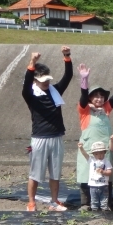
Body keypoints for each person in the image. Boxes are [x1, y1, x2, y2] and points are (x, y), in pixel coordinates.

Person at [22, 46, 73, 212]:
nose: (47, 82)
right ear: (36, 80)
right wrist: (32, 62)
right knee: (35, 173)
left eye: (48, 79)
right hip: (40, 138)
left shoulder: (55, 91)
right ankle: (31, 202)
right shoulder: (30, 94)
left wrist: (66, 56)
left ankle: (54, 201)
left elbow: (68, 76)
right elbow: (26, 83)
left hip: (57, 137)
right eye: (43, 80)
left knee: (55, 173)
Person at [76, 64, 113, 210]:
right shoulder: (84, 110)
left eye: (101, 97)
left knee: (106, 173)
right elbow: (82, 96)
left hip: (105, 148)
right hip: (88, 148)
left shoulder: (106, 108)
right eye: (95, 96)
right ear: (90, 98)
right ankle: (86, 203)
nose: (99, 99)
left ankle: (106, 201)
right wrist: (84, 80)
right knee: (86, 174)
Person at [77, 141, 113, 212]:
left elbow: (110, 172)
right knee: (94, 201)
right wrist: (81, 148)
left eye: (101, 153)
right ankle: (94, 210)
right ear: (93, 154)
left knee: (104, 201)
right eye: (96, 154)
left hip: (104, 185)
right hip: (93, 185)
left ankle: (104, 210)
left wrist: (103, 172)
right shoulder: (91, 160)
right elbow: (85, 154)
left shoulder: (106, 161)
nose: (99, 155)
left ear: (104, 152)